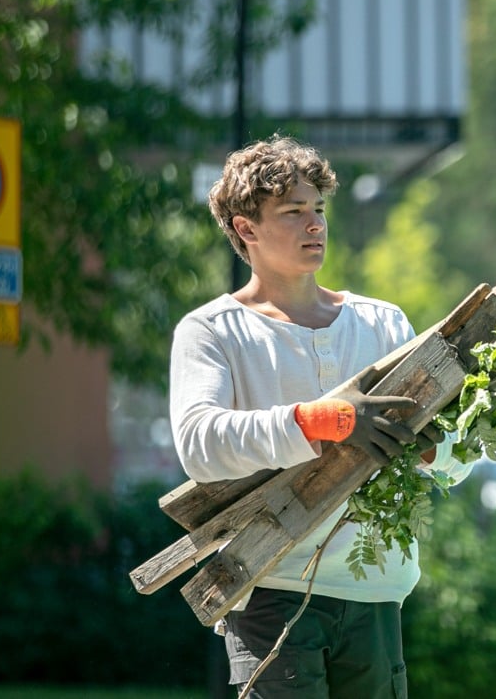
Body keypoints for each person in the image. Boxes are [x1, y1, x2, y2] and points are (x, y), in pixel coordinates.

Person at [170, 134, 472, 698]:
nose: (315, 225)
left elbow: (456, 460)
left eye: (319, 209)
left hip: (377, 590)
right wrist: (320, 421)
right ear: (245, 229)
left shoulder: (383, 324)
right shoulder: (210, 331)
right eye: (293, 212)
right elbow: (199, 444)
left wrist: (432, 446)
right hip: (268, 580)